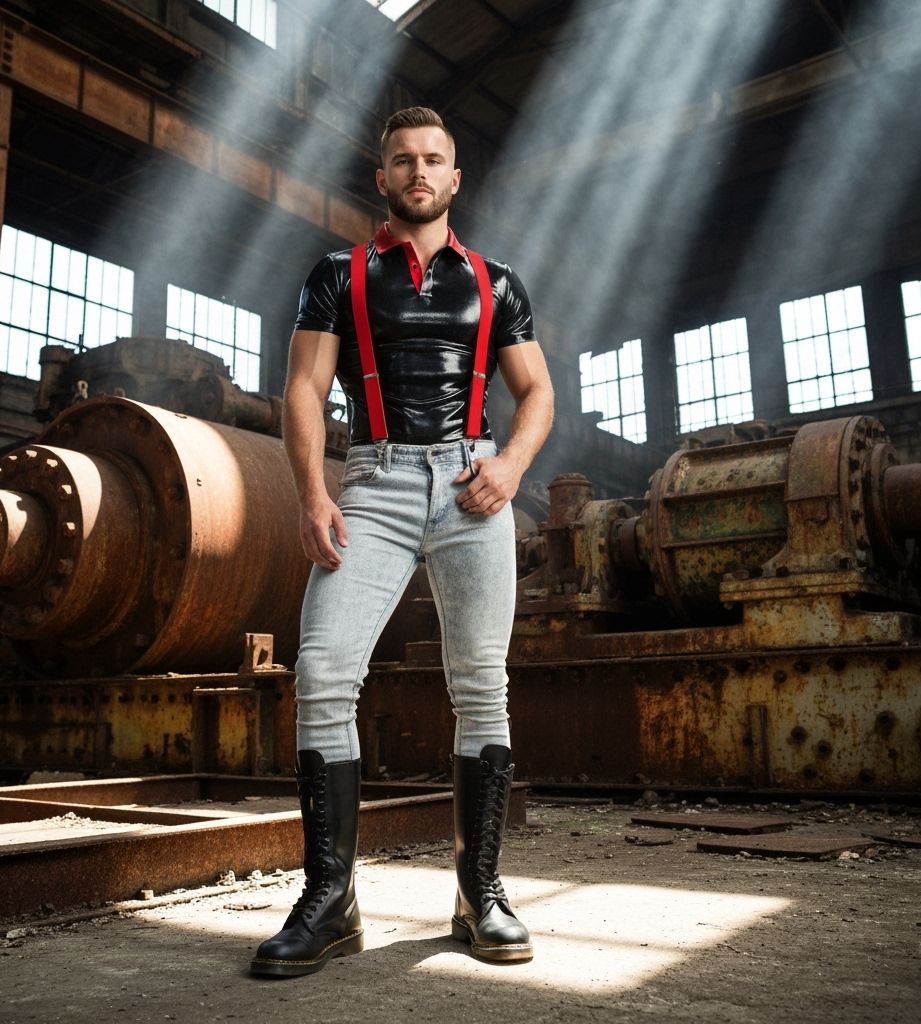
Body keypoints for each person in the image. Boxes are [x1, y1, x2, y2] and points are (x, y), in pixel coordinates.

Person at [250, 106, 553, 978]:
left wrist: (513, 466)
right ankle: (330, 901)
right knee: (323, 675)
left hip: (473, 485)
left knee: (481, 687)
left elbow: (535, 393)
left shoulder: (497, 282)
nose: (418, 172)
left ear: (455, 179)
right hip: (374, 485)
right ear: (380, 178)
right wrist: (313, 492)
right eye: (402, 161)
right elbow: (304, 389)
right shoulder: (338, 274)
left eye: (434, 160)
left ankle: (479, 893)